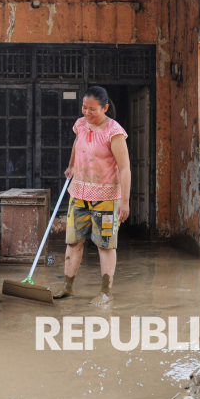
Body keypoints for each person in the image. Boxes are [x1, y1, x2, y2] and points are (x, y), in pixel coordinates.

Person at [53, 86, 131, 306]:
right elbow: (77, 145)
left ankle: (106, 291)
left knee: (105, 244)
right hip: (78, 193)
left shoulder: (113, 132)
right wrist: (71, 166)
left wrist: (124, 201)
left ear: (105, 108)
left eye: (92, 109)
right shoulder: (80, 124)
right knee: (73, 242)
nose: (87, 112)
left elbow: (125, 168)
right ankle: (67, 287)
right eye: (84, 107)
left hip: (106, 197)